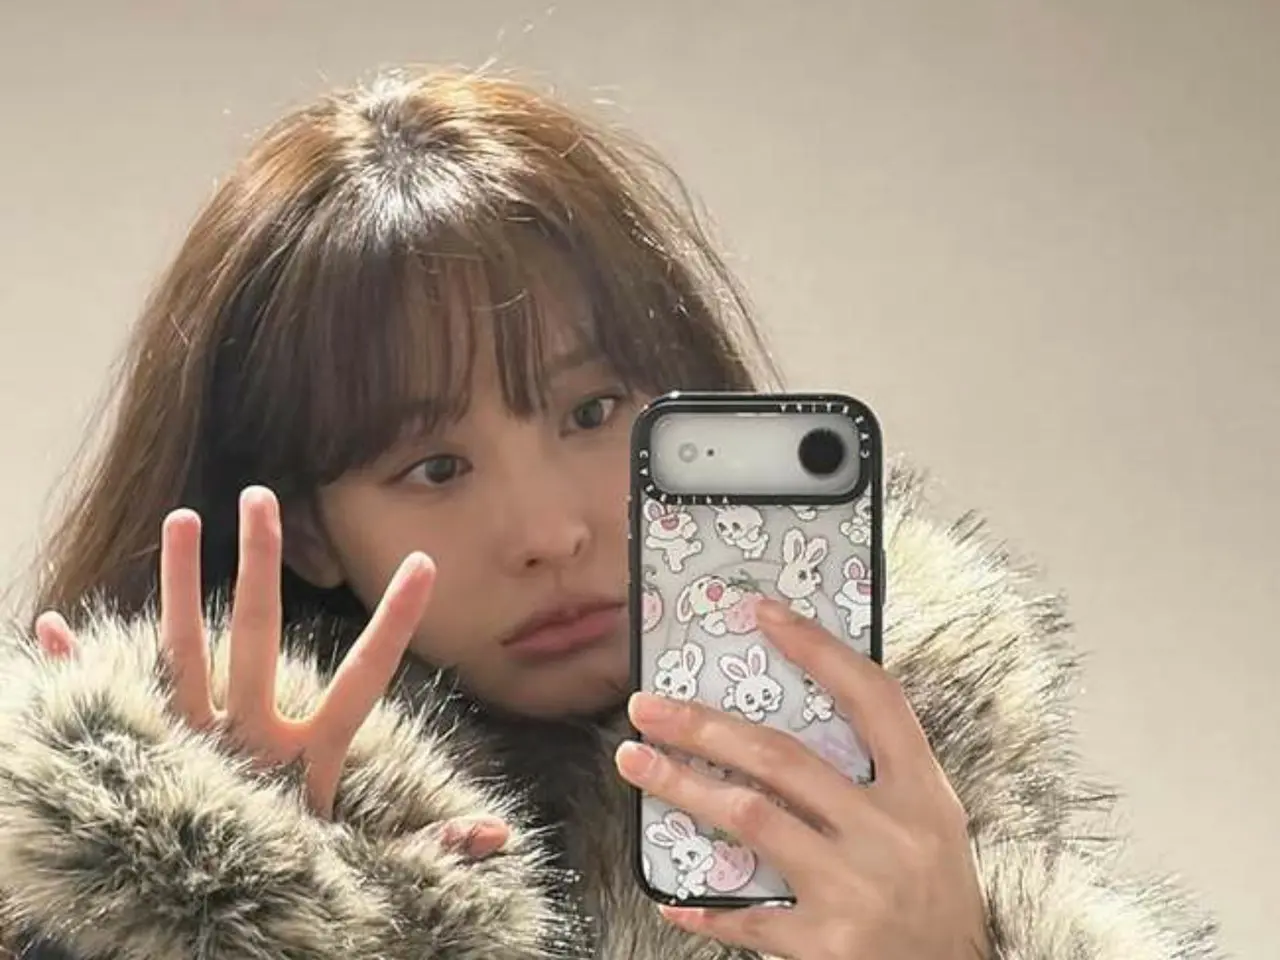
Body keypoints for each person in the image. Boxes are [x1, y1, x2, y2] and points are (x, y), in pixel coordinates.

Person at [0, 67, 1219, 960]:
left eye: (590, 412)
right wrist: (241, 895)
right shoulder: (131, 867)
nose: (547, 533)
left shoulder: (923, 788)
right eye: (433, 467)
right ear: (311, 530)